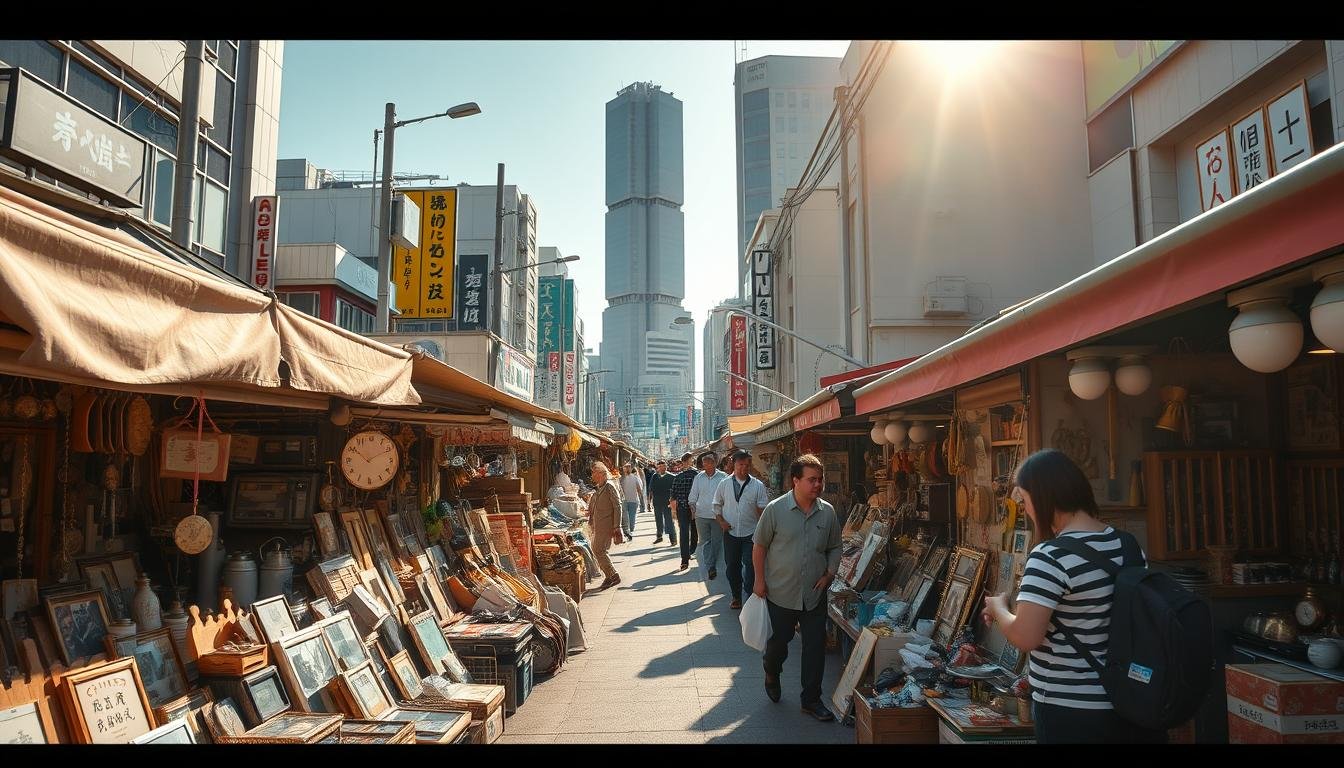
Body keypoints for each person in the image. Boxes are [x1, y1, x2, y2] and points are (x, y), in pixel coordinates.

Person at [980, 449, 1166, 744]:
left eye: (1026, 500)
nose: (1026, 510)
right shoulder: (1127, 545)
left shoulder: (1050, 556)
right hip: (1131, 701)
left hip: (1070, 709)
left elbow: (1026, 637)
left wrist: (999, 607)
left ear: (1043, 498)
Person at [753, 453, 841, 722]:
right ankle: (771, 669)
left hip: (814, 593)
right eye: (811, 480)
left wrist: (829, 574)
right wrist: (759, 580)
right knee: (781, 642)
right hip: (780, 592)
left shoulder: (827, 512)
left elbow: (835, 546)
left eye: (820, 480)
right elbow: (760, 545)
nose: (817, 485)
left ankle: (811, 700)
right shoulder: (775, 509)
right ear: (795, 481)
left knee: (815, 646)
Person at [713, 449, 770, 609]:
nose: (744, 468)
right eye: (740, 464)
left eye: (746, 464)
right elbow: (716, 505)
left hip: (751, 533)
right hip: (730, 533)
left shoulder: (757, 485)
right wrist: (721, 522)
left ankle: (750, 594)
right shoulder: (724, 484)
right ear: (733, 464)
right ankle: (736, 596)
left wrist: (763, 527)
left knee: (751, 565)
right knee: (732, 566)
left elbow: (762, 508)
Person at [688, 451, 729, 581]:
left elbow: (728, 495)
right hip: (701, 514)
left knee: (716, 541)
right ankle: (711, 566)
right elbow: (693, 495)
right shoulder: (698, 478)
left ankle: (711, 564)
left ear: (714, 463)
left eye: (709, 462)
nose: (706, 465)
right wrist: (692, 506)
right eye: (704, 463)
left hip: (717, 515)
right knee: (705, 542)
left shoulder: (723, 477)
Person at [584, 462, 624, 589]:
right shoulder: (600, 487)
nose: (592, 475)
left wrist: (617, 526)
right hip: (598, 524)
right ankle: (609, 576)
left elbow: (618, 506)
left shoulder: (609, 486)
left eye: (594, 472)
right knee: (598, 550)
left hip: (606, 524)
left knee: (598, 550)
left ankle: (613, 575)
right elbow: (595, 504)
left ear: (601, 473)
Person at [669, 453, 700, 571]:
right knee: (694, 531)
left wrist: (673, 510)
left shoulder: (678, 477)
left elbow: (673, 494)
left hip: (681, 508)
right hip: (694, 507)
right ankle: (691, 550)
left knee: (683, 532)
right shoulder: (697, 475)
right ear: (689, 461)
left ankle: (684, 560)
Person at [649, 459, 677, 546]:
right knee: (658, 519)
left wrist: (674, 501)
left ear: (666, 466)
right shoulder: (655, 476)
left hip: (667, 502)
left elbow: (675, 490)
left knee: (669, 520)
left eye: (663, 466)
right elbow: (651, 489)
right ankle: (659, 536)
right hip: (657, 501)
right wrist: (649, 501)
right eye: (659, 466)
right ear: (657, 467)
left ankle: (673, 539)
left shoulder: (672, 477)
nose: (661, 468)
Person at [620, 462, 646, 542]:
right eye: (625, 467)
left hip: (634, 500)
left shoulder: (635, 478)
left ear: (631, 468)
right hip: (624, 500)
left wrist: (641, 498)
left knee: (632, 516)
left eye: (628, 467)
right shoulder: (621, 479)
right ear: (623, 468)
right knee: (625, 517)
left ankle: (630, 531)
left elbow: (638, 488)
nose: (627, 469)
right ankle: (627, 531)